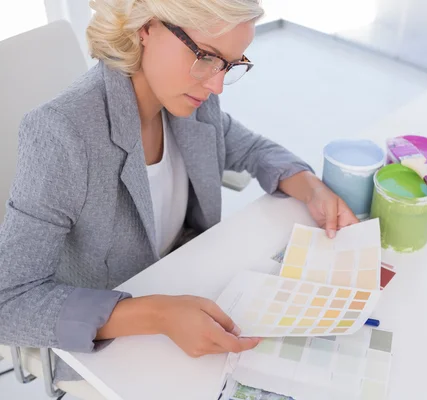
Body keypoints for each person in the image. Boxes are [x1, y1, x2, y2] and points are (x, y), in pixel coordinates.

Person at [0, 0, 358, 383]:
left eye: (231, 65)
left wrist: (310, 186)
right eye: (206, 56)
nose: (217, 83)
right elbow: (9, 302)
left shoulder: (194, 98)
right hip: (111, 336)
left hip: (186, 287)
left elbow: (250, 147)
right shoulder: (64, 134)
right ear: (146, 28)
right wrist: (158, 314)